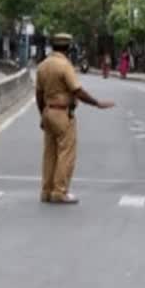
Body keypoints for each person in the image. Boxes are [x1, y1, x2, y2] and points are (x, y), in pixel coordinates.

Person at [36, 33, 114, 204]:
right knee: (66, 153)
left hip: (48, 111)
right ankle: (60, 191)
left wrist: (42, 114)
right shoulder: (64, 66)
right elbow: (77, 91)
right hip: (62, 112)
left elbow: (39, 93)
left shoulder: (43, 65)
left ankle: (46, 190)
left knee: (49, 153)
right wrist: (96, 103)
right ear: (68, 48)